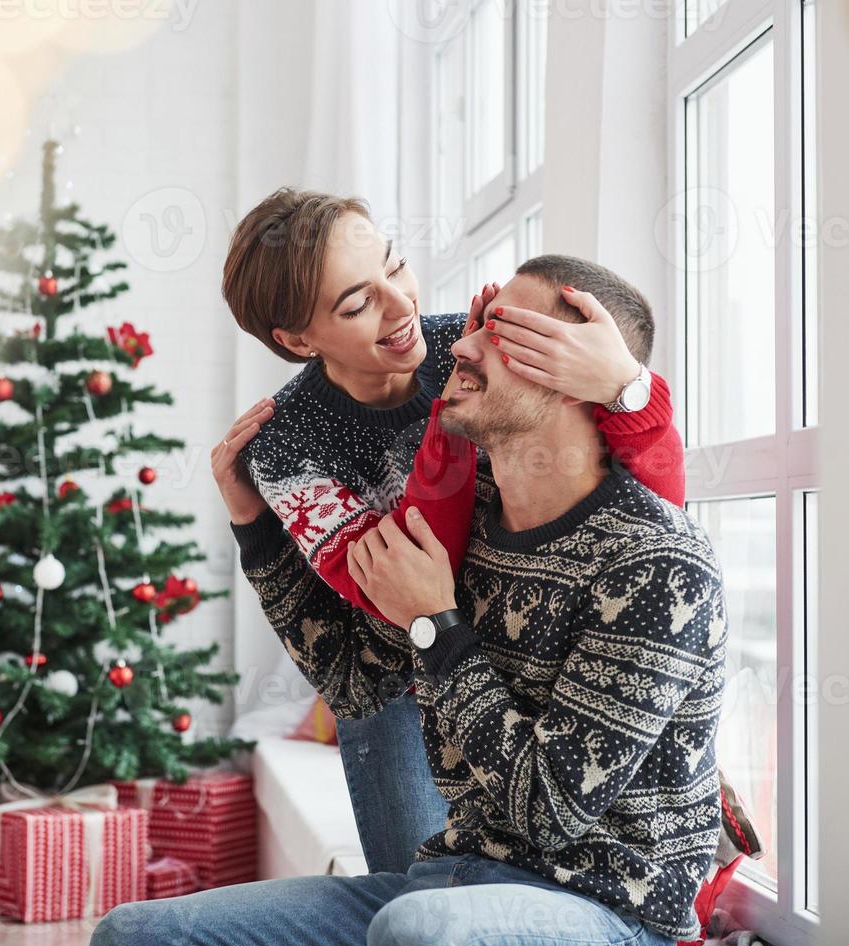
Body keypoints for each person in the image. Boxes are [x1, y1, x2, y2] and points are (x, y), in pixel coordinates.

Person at [80, 256, 726, 946]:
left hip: (602, 917)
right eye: (478, 323)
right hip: (447, 882)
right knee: (131, 941)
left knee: (417, 937)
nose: (455, 342)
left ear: (576, 372)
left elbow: (546, 810)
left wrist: (433, 623)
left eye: (501, 330)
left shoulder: (657, 561)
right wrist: (254, 527)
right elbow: (355, 682)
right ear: (297, 338)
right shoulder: (459, 530)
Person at [213, 188, 684, 875]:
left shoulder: (464, 344)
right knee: (418, 903)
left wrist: (625, 385)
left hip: (524, 651)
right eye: (354, 304)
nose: (401, 305)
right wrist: (455, 415)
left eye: (395, 266)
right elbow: (397, 594)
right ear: (295, 339)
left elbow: (648, 502)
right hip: (400, 684)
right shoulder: (286, 446)